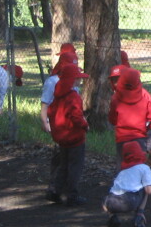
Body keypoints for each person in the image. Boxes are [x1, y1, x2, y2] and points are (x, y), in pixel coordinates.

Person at [47, 63, 90, 206]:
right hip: (75, 137)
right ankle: (72, 194)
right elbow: (76, 116)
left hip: (62, 137)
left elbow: (51, 112)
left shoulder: (57, 93)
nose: (79, 81)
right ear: (72, 80)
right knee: (75, 166)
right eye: (77, 78)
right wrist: (85, 126)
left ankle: (55, 190)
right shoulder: (73, 96)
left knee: (63, 165)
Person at [108, 51, 151, 166]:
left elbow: (112, 119)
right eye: (114, 80)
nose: (116, 83)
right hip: (139, 134)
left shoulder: (116, 97)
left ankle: (128, 180)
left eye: (118, 79)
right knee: (137, 165)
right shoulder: (142, 94)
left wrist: (147, 126)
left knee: (123, 164)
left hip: (126, 136)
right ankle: (143, 177)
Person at [41, 49, 79, 204]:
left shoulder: (73, 81)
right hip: (58, 126)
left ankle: (64, 189)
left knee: (70, 160)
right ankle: (54, 188)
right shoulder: (52, 82)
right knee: (59, 159)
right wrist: (45, 123)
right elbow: (45, 105)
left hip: (72, 129)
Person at [103, 141, 151, 227]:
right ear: (140, 154)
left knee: (105, 200)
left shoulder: (122, 171)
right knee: (145, 189)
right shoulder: (144, 168)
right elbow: (149, 191)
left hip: (112, 202)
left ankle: (112, 217)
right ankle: (139, 217)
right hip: (129, 202)